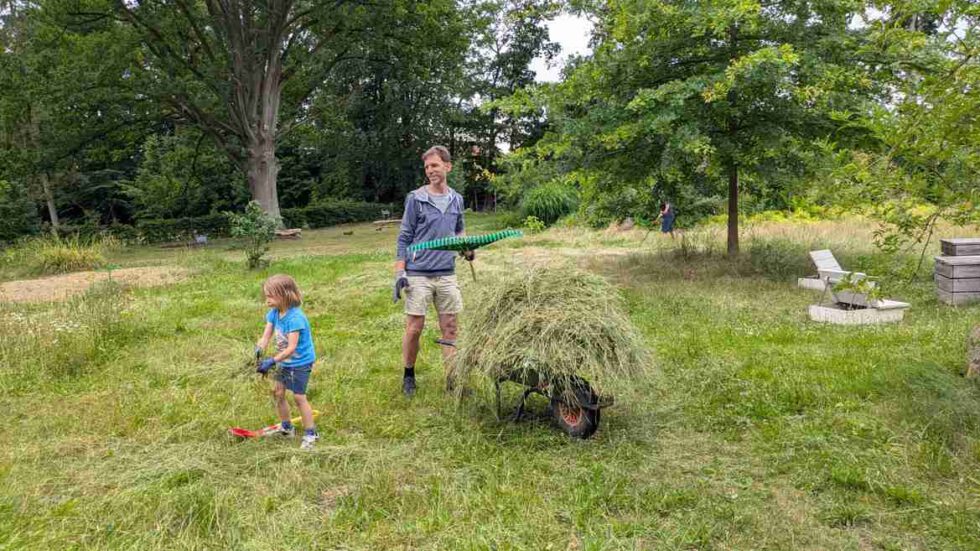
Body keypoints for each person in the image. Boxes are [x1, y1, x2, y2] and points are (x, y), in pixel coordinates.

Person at [393, 145, 473, 397]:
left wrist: (466, 248)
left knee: (450, 328)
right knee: (415, 327)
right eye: (427, 167)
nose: (430, 171)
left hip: (446, 271)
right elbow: (404, 237)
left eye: (435, 165)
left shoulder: (456, 199)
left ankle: (452, 379)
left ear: (448, 167)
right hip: (418, 272)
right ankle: (408, 375)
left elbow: (459, 230)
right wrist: (400, 272)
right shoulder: (416, 199)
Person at [254, 274, 319, 449]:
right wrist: (260, 347)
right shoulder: (274, 313)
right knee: (278, 393)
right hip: (283, 361)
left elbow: (291, 348)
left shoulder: (295, 318)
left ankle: (311, 433)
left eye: (270, 296)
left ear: (285, 295)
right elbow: (266, 336)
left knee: (299, 397)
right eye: (266, 295)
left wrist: (272, 361)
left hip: (300, 362)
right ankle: (287, 427)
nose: (266, 299)